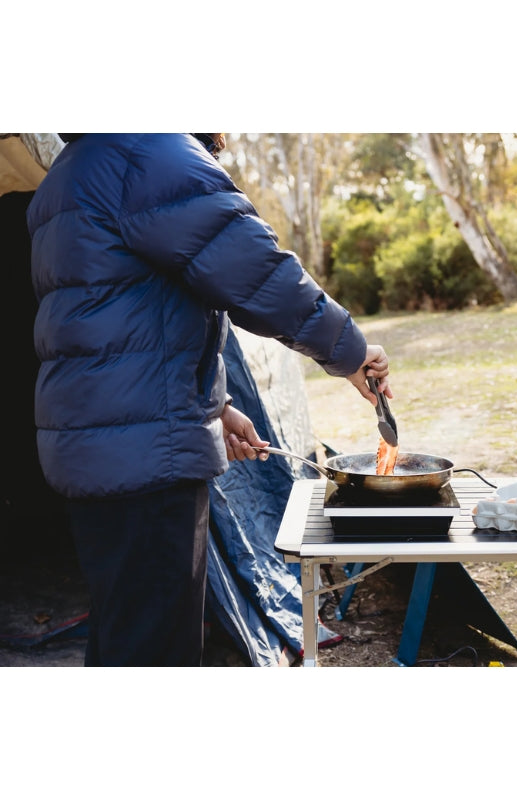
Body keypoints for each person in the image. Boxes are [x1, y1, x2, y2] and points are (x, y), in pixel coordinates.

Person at [26, 133, 392, 666]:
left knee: (124, 633)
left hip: (94, 448)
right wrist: (350, 350)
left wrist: (214, 406)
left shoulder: (71, 168)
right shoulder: (147, 150)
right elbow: (255, 270)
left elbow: (120, 315)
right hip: (144, 458)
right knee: (158, 651)